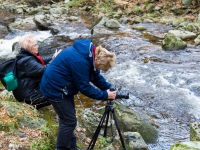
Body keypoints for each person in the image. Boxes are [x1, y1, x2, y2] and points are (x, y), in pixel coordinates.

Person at [40, 39, 117, 150]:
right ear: (98, 60)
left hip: (63, 87)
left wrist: (108, 88)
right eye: (100, 67)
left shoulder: (91, 54)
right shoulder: (80, 62)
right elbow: (84, 87)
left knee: (67, 118)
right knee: (69, 121)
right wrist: (105, 95)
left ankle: (71, 147)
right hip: (55, 88)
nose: (98, 70)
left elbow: (95, 76)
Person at [13, 33, 60, 109]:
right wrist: (55, 60)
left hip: (30, 91)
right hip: (29, 97)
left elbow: (42, 61)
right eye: (35, 45)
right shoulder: (26, 61)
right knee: (59, 91)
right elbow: (44, 70)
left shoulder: (26, 56)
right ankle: (62, 115)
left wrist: (53, 57)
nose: (38, 46)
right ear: (29, 48)